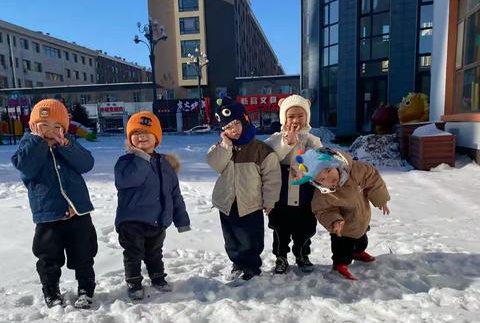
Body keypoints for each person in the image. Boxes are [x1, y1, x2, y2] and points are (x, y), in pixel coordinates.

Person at [11, 99, 98, 308]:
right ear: (33, 126)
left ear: (64, 127)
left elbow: (86, 164)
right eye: (44, 125)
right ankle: (51, 291)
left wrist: (66, 144)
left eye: (56, 125)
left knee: (84, 253)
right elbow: (25, 167)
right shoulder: (28, 145)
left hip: (77, 212)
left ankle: (86, 289)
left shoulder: (67, 144)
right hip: (48, 215)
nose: (51, 130)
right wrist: (38, 141)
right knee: (48, 257)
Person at [114, 111, 190, 300]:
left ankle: (157, 277)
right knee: (133, 253)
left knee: (154, 252)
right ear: (129, 138)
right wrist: (140, 157)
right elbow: (131, 179)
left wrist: (181, 220)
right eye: (136, 133)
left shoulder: (165, 163)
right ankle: (134, 282)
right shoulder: (125, 162)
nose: (141, 136)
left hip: (157, 219)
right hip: (131, 220)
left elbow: (174, 193)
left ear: (156, 137)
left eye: (146, 132)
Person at [207, 97, 281, 281]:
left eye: (235, 124)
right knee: (231, 238)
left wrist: (270, 200)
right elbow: (215, 164)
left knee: (251, 239)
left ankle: (252, 266)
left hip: (250, 203)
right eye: (227, 128)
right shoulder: (222, 148)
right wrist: (225, 146)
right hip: (227, 202)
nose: (233, 130)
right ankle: (237, 262)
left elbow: (272, 178)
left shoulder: (260, 149)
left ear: (245, 120)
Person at [293, 148, 391, 280]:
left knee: (362, 239)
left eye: (328, 171)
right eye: (322, 178)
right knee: (342, 248)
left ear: (334, 164)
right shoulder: (323, 194)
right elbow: (323, 210)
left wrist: (380, 199)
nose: (329, 178)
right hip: (342, 228)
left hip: (361, 217)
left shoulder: (355, 171)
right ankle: (340, 265)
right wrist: (334, 221)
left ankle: (358, 252)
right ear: (317, 182)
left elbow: (373, 178)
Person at [265, 94, 323, 274]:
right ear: (284, 118)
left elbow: (320, 161)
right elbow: (268, 157)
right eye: (291, 116)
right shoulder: (276, 138)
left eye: (300, 115)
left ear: (307, 117)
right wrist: (286, 143)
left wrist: (306, 168)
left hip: (305, 196)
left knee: (304, 230)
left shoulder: (312, 140)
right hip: (281, 196)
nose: (296, 120)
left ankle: (302, 254)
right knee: (280, 230)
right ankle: (281, 257)